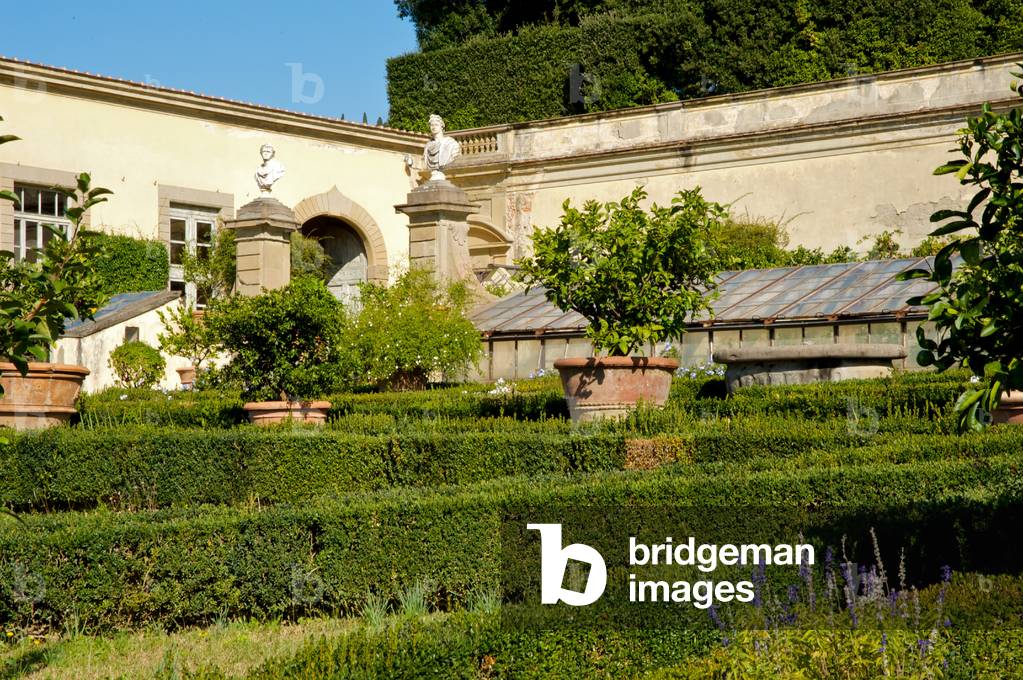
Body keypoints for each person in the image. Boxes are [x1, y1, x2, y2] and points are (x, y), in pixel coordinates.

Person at [423, 114, 461, 181]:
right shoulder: (427, 146)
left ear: (441, 127)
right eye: (432, 125)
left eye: (436, 125)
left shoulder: (450, 143)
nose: (433, 127)